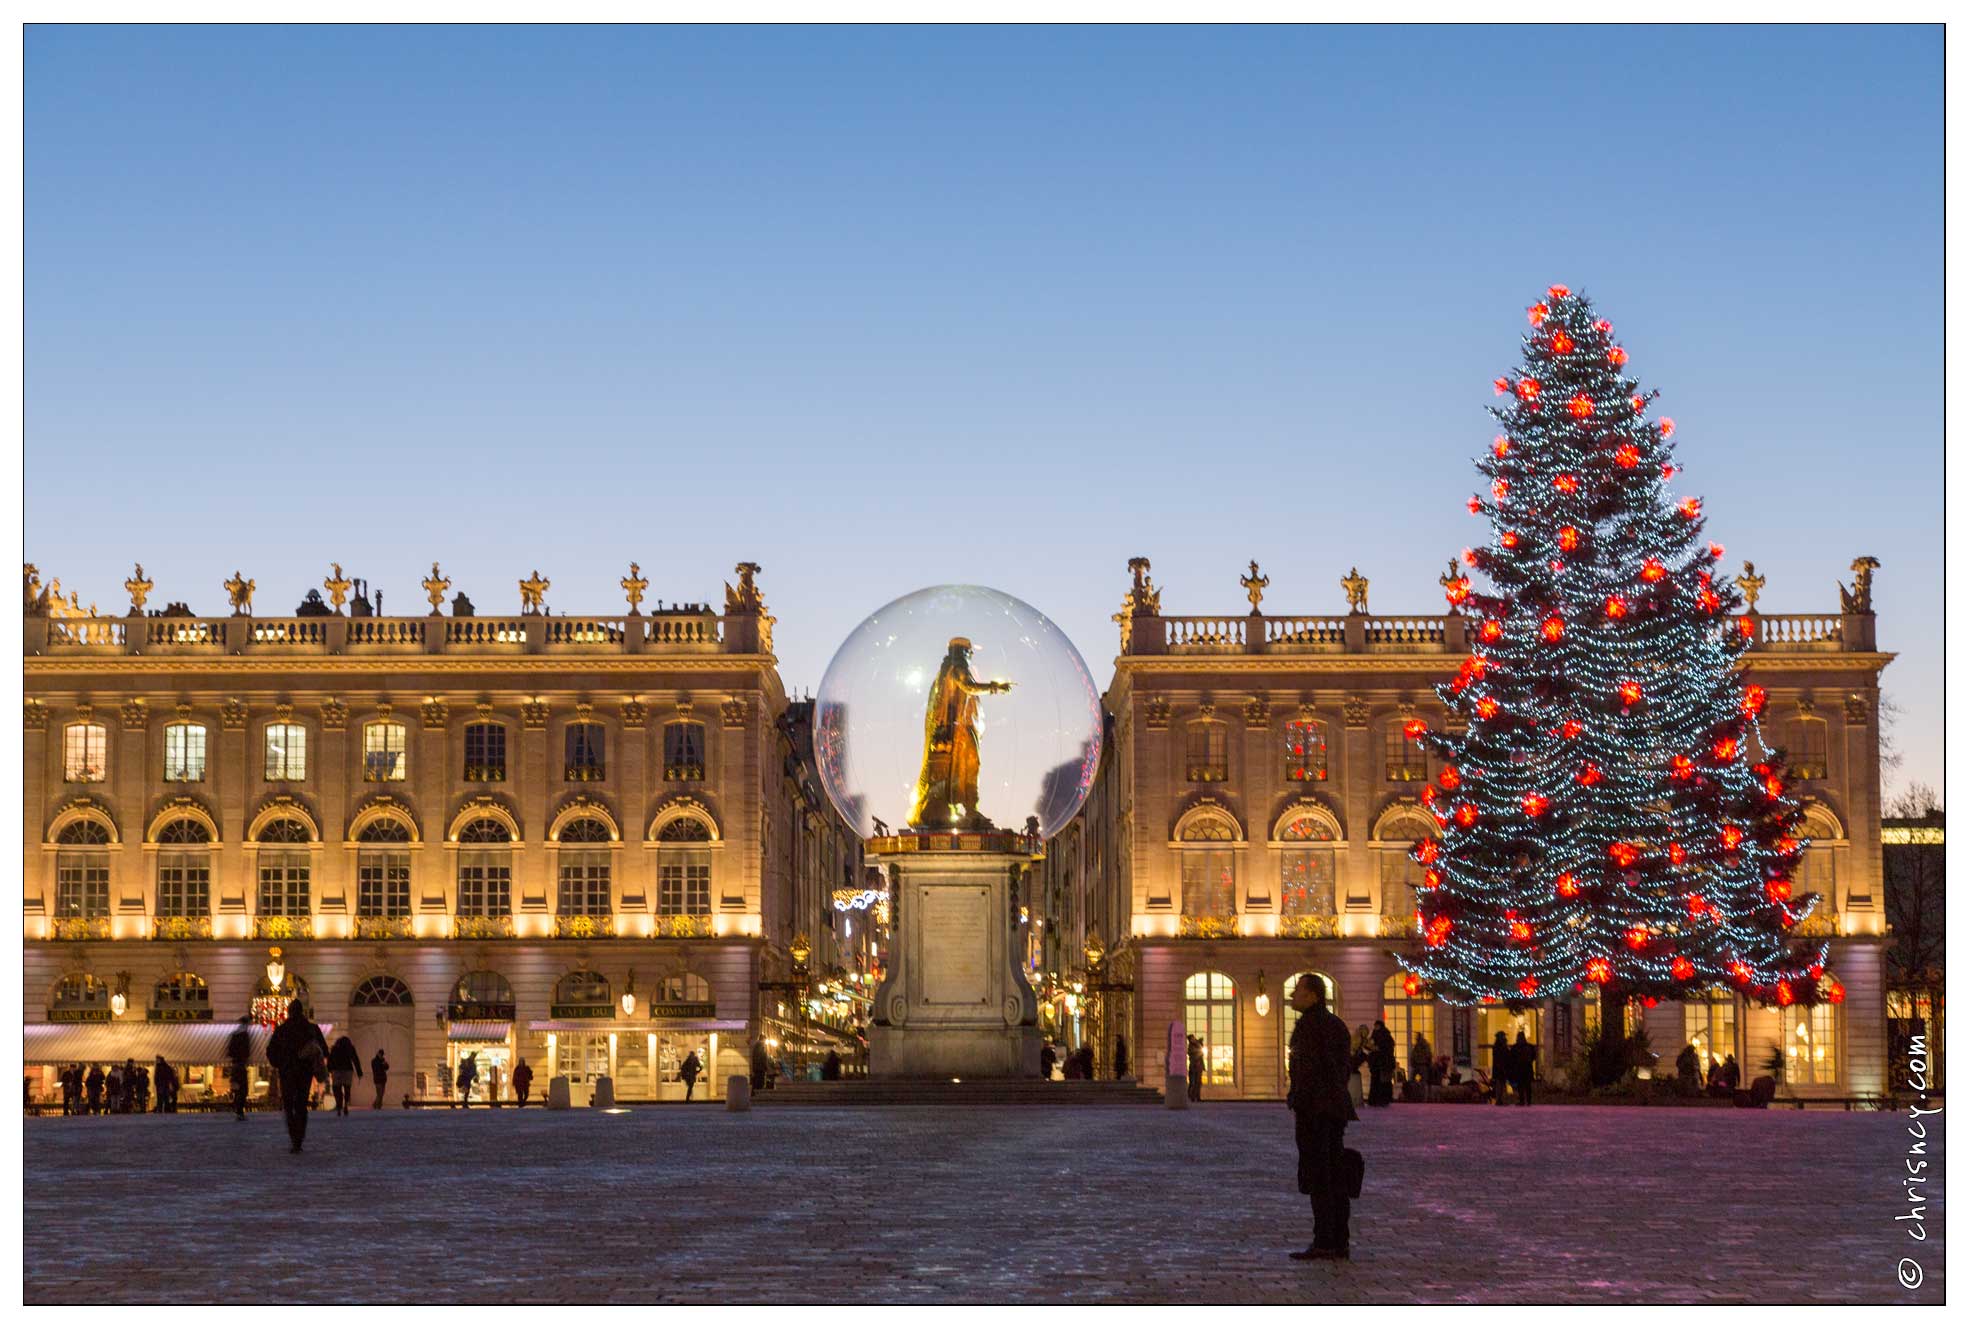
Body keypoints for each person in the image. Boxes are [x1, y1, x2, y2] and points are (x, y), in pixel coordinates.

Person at [1286, 974, 1357, 1261]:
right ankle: (1338, 1240)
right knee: (1334, 1174)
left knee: (1319, 1176)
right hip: (1333, 1108)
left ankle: (1325, 1240)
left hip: (1316, 1110)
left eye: (1297, 991)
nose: (1292, 996)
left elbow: (1311, 1071)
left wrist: (1299, 1099)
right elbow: (1341, 1069)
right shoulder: (1334, 1025)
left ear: (1313, 996)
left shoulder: (1310, 1027)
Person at [265, 998, 329, 1154]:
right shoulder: (312, 1029)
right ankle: (299, 1139)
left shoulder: (282, 1030)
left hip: (287, 1072)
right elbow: (324, 1050)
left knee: (288, 1106)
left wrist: (280, 1063)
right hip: (304, 1072)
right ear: (302, 1011)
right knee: (301, 1105)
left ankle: (294, 1138)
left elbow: (270, 1051)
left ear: (289, 1012)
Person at [325, 1035, 362, 1117]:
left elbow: (330, 1059)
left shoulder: (335, 1048)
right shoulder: (350, 1048)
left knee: (336, 1089)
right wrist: (359, 1072)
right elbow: (355, 1059)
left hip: (337, 1070)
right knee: (347, 1088)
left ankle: (339, 1106)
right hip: (348, 1070)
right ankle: (345, 1104)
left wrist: (328, 1070)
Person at [227, 1017, 253, 1121]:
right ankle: (239, 1111)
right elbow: (246, 1052)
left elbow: (230, 1051)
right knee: (243, 1090)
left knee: (238, 1089)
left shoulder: (235, 1034)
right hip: (240, 1066)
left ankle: (238, 1111)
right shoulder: (244, 1035)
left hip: (235, 1065)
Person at [1367, 1021, 1397, 1108]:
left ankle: (1379, 1100)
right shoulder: (1385, 1036)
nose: (1375, 1028)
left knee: (1380, 1082)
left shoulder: (1381, 1036)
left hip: (1381, 1063)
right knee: (1380, 1082)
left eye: (1376, 1026)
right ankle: (1381, 1099)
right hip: (1380, 1063)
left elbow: (1385, 1049)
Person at [1511, 1031, 1536, 1107]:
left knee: (1521, 1086)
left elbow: (1512, 1058)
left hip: (1519, 1069)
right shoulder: (1530, 1046)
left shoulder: (1515, 1047)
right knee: (1527, 1086)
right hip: (1527, 1069)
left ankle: (1522, 1101)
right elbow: (1534, 1057)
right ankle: (1528, 1101)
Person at [1408, 1034, 1434, 1101]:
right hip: (1422, 1065)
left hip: (1421, 1065)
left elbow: (1414, 1055)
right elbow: (1429, 1055)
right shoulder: (1424, 1045)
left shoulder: (1421, 1046)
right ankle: (1421, 1097)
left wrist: (1413, 1062)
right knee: (1422, 1082)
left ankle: (1418, 1096)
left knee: (1417, 1081)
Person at [1490, 1031, 1513, 1105]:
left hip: (1500, 1069)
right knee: (1500, 1084)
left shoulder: (1497, 1047)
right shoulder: (1500, 1047)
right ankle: (1500, 1099)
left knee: (1500, 1084)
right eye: (1503, 1036)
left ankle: (1500, 1099)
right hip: (1501, 1069)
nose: (1505, 1038)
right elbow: (1505, 1057)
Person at [1186, 1035, 1205, 1101]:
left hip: (1199, 1067)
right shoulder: (1191, 1046)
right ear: (1190, 1040)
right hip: (1194, 1067)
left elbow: (1201, 1048)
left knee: (1198, 1083)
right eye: (1193, 1038)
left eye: (1194, 1038)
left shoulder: (1196, 1044)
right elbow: (1196, 1052)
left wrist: (1199, 1042)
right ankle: (1191, 1096)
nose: (1194, 1039)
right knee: (1193, 1083)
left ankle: (1197, 1097)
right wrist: (1198, 1043)